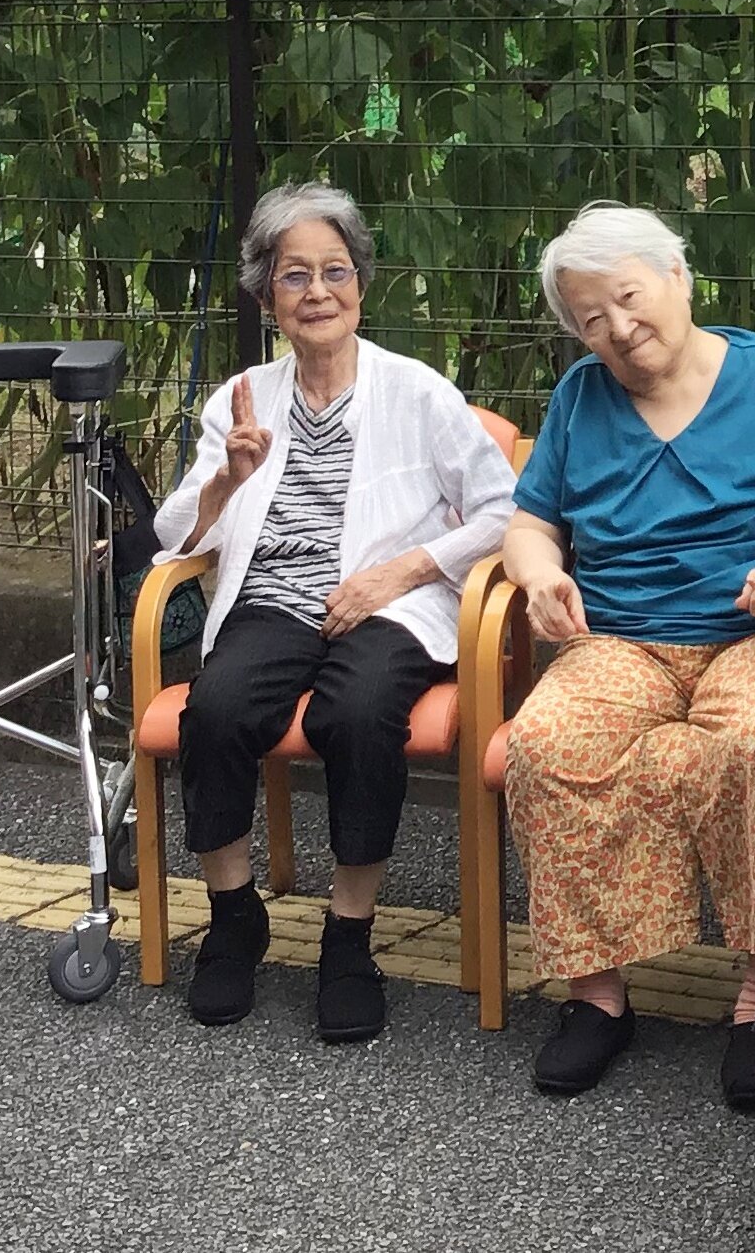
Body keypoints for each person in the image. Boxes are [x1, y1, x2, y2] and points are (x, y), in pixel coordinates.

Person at [500, 204, 755, 1102]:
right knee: (547, 741)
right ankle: (598, 996)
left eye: (630, 297)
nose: (620, 328)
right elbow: (529, 524)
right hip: (621, 640)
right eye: (593, 319)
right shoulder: (580, 397)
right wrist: (540, 575)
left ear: (678, 276)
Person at [153, 181, 517, 1042]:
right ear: (266, 294)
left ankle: (349, 938)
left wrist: (403, 572)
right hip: (274, 600)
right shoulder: (241, 397)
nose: (317, 292)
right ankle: (234, 916)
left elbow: (504, 510)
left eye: (335, 271)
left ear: (360, 283)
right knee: (217, 710)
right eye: (294, 275)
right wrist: (228, 479)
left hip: (394, 604)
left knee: (357, 715)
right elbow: (176, 535)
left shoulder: (417, 392)